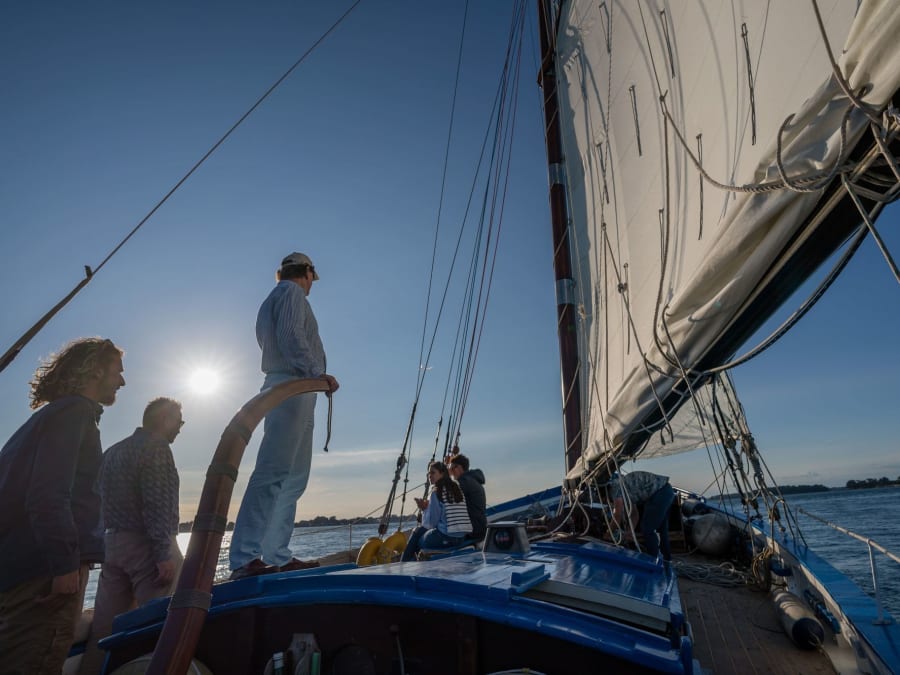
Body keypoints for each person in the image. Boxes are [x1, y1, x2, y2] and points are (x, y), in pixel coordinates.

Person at [0, 337, 125, 675]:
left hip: (19, 569)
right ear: (96, 370)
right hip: (45, 572)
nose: (123, 381)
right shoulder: (74, 413)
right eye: (118, 371)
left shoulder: (44, 419)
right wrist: (64, 563)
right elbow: (47, 494)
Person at [229, 252, 339, 580]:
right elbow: (292, 336)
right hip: (292, 385)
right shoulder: (290, 293)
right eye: (311, 278)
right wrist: (318, 374)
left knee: (293, 479)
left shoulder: (274, 297)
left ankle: (276, 553)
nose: (310, 286)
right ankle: (245, 557)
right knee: (273, 472)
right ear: (306, 272)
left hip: (298, 389)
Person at [78, 397, 185, 675]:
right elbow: (157, 503)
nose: (180, 428)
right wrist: (163, 553)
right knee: (159, 626)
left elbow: (94, 501)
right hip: (146, 546)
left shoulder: (112, 452)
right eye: (179, 422)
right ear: (164, 420)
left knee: (105, 629)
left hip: (111, 547)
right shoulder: (156, 448)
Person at [401, 462, 472, 561]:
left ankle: (404, 565)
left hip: (447, 537)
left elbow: (431, 524)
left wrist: (424, 508)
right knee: (420, 532)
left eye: (433, 473)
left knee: (418, 536)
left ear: (442, 474)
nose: (430, 476)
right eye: (428, 474)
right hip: (461, 537)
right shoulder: (457, 489)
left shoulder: (436, 492)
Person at [607, 470, 676, 562]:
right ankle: (667, 561)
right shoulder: (626, 487)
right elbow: (634, 514)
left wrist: (608, 533)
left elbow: (617, 515)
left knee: (647, 528)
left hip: (659, 493)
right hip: (666, 490)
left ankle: (652, 562)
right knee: (662, 530)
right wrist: (629, 532)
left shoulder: (615, 487)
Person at [448, 454, 487, 542]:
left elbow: (446, 494)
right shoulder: (471, 479)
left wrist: (445, 475)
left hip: (472, 531)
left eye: (452, 468)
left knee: (425, 540)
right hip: (478, 528)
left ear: (459, 468)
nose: (451, 472)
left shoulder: (465, 482)